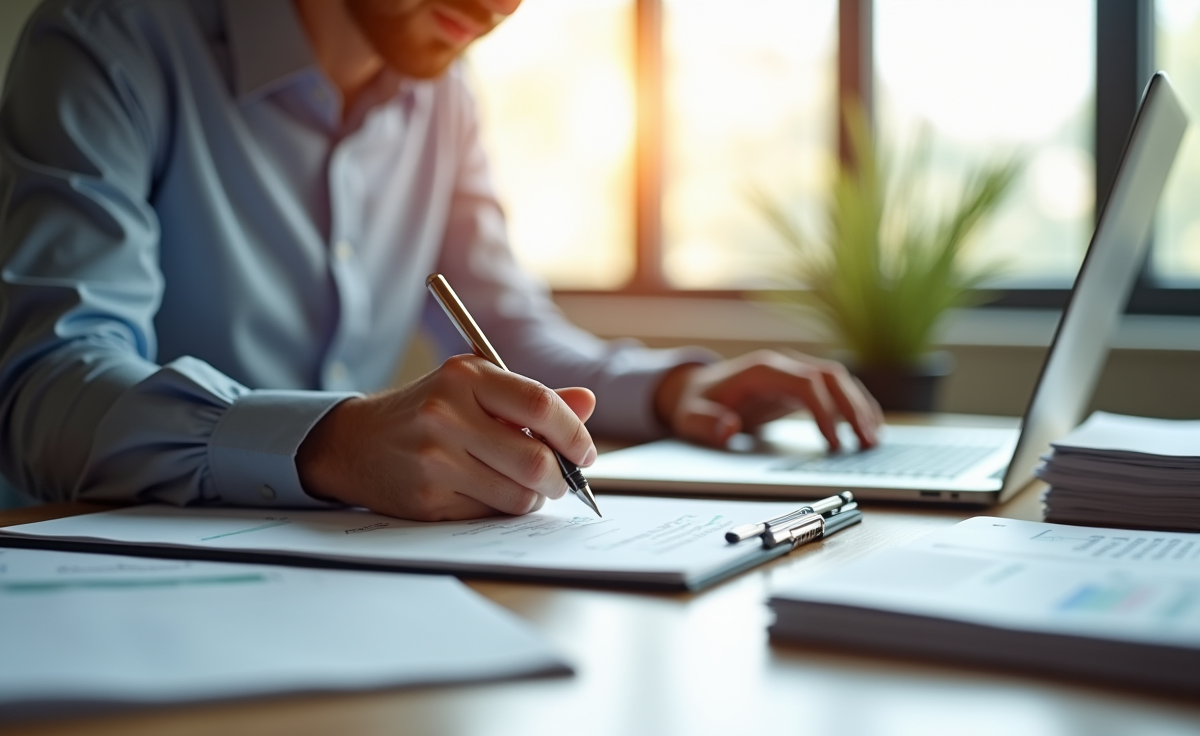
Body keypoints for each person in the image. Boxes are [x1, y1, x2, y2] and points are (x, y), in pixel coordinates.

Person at [0, 0, 881, 521]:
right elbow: (45, 387)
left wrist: (674, 391)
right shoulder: (108, 43)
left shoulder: (444, 97)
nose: (500, 4)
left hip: (338, 575)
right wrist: (331, 444)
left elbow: (511, 335)